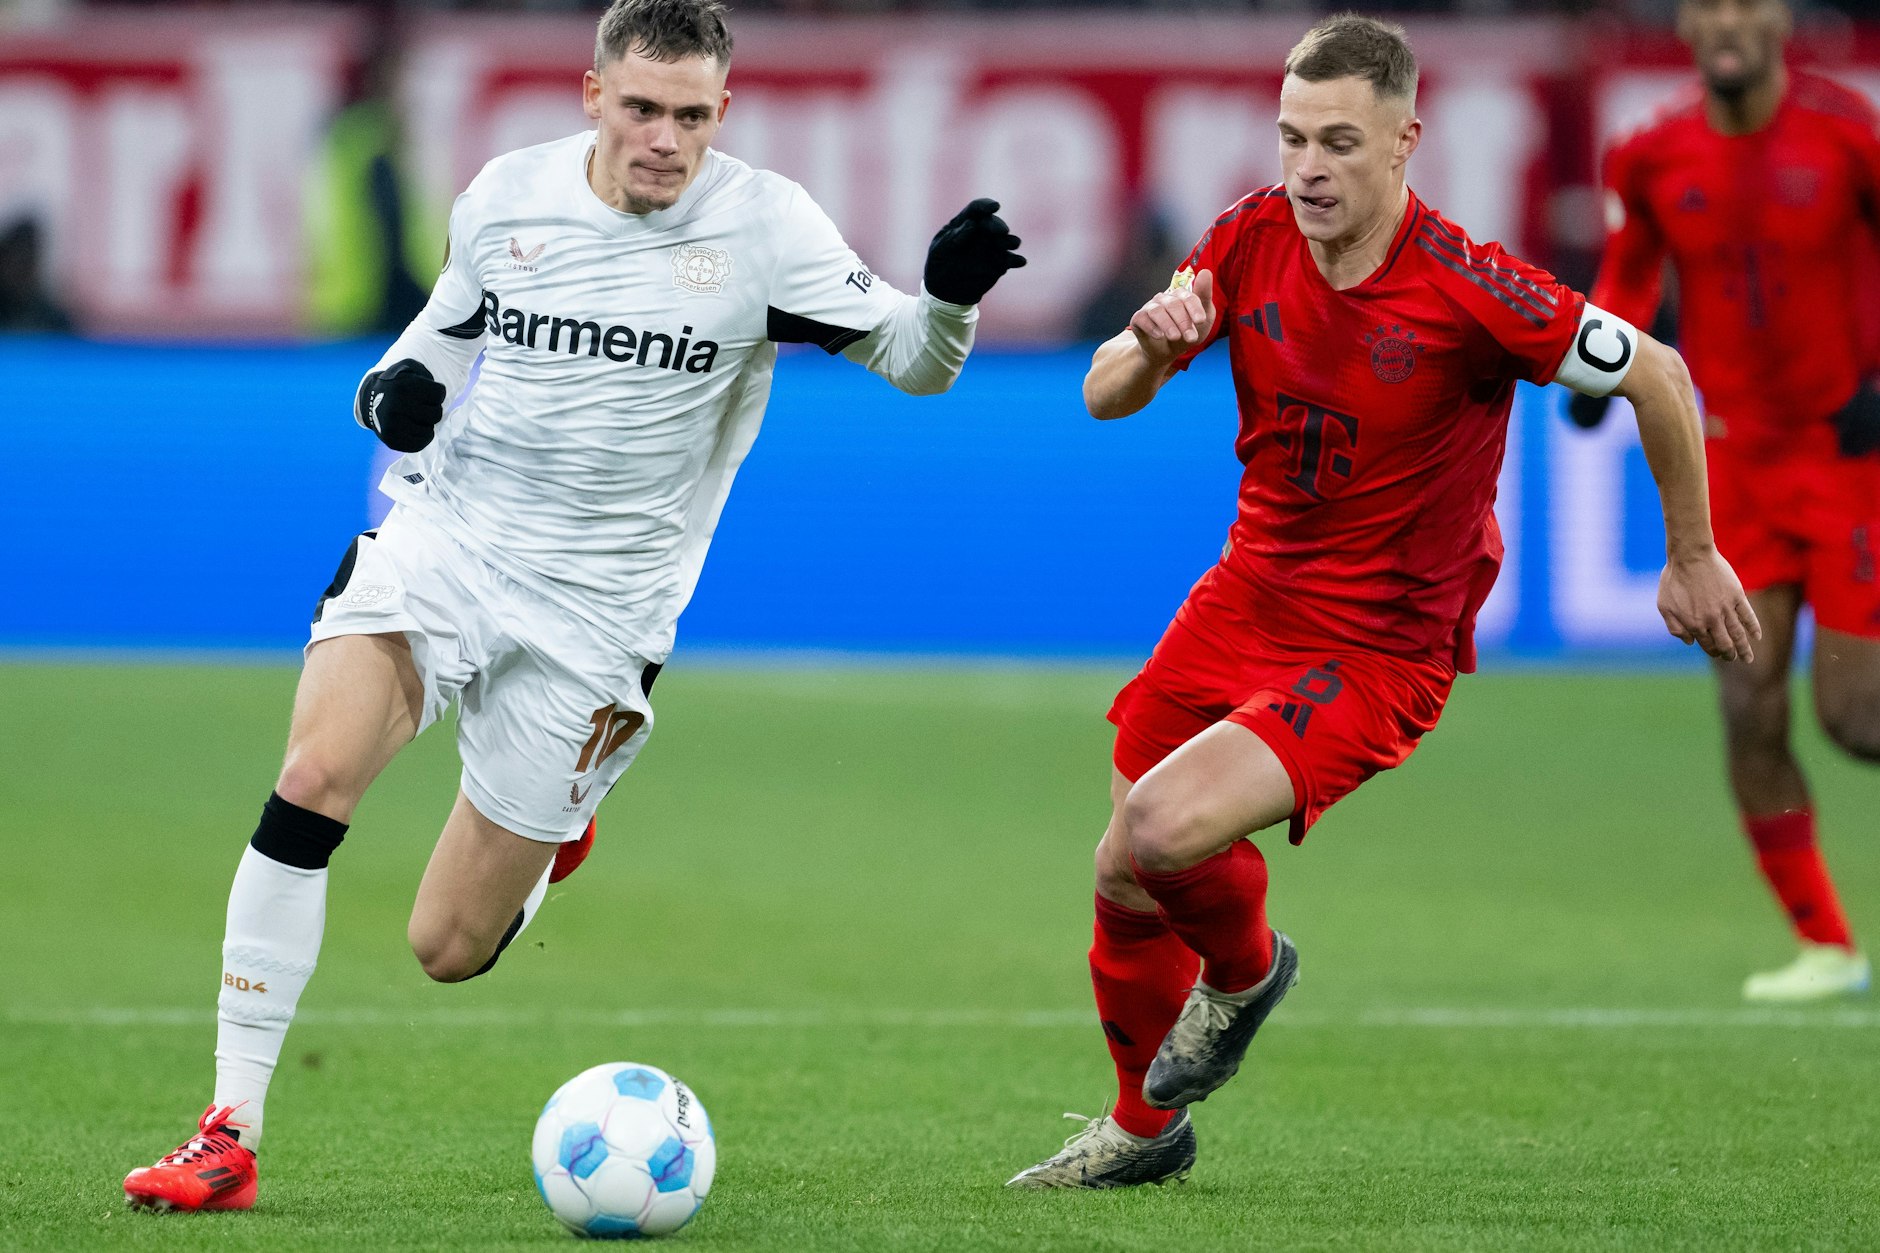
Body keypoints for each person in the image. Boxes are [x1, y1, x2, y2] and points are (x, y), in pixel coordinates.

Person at [122, 0, 1023, 1213]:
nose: (664, 139)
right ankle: (226, 1130)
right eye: (642, 108)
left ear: (722, 113)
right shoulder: (508, 195)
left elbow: (917, 358)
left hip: (599, 615)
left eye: (690, 116)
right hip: (447, 541)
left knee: (447, 947)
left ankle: (555, 835)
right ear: (592, 95)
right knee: (313, 775)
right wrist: (390, 397)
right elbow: (426, 351)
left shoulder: (767, 230)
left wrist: (951, 297)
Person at [1007, 13, 1758, 1191]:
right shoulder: (1245, 238)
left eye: (1338, 143)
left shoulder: (1471, 287)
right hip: (1244, 590)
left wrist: (1691, 553)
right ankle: (1143, 1132)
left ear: (1406, 140)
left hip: (1376, 642)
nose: (1305, 168)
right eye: (1290, 138)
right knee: (1120, 868)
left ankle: (1246, 976)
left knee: (1159, 830)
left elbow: (1655, 371)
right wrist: (1149, 349)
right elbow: (1103, 392)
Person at [1573, 0, 1879, 1002]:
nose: (1726, 23)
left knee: (1853, 712)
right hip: (1731, 466)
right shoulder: (1648, 152)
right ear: (1689, 26)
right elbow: (1627, 274)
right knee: (1746, 704)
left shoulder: (1846, 133)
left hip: (1843, 455)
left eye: (1745, 3)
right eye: (1706, 6)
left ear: (1780, 19)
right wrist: (1594, 364)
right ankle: (1826, 945)